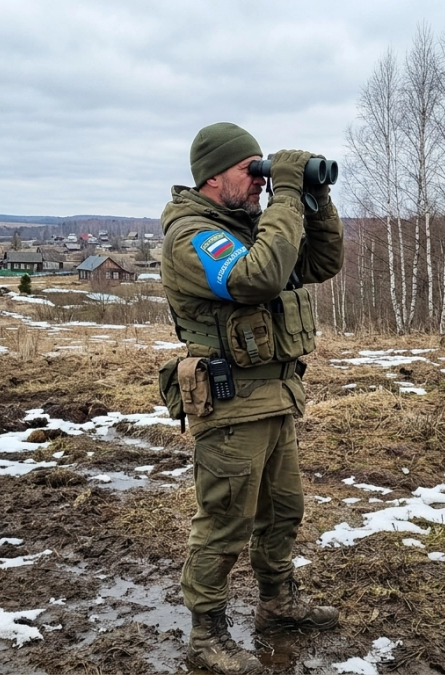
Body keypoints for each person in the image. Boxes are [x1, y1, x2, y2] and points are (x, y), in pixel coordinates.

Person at [158, 122, 344, 675]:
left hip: (275, 394)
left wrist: (314, 199)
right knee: (224, 522)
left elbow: (319, 263)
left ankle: (277, 603)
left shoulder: (248, 228)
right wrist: (286, 192)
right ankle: (206, 634)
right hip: (230, 401)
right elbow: (257, 279)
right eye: (253, 170)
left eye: (266, 171)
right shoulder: (196, 236)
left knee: (283, 511)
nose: (262, 182)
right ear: (214, 176)